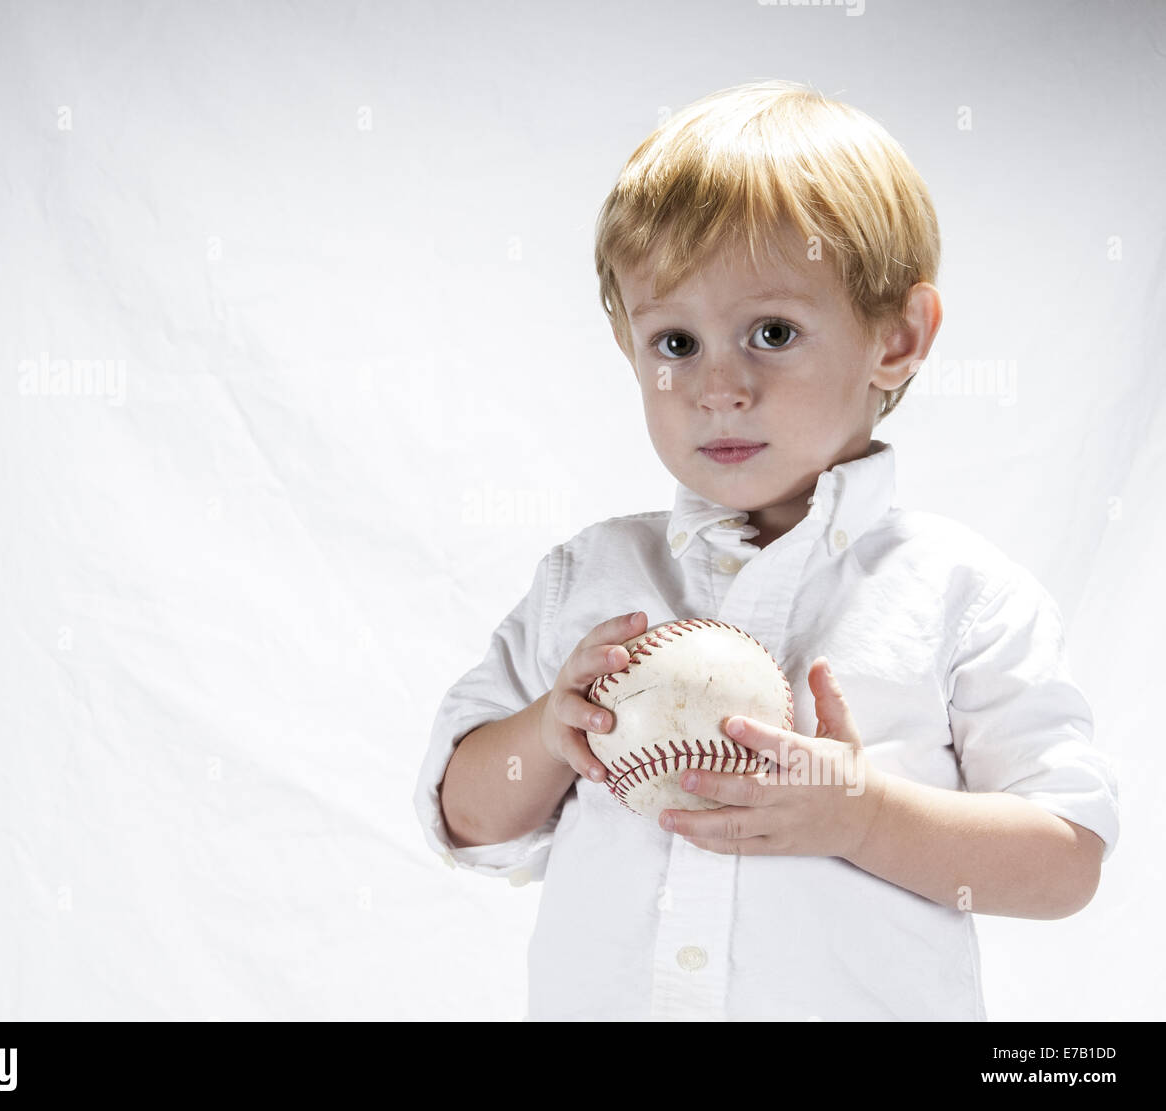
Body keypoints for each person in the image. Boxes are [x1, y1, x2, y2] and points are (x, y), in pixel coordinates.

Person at [412, 79, 1119, 1021]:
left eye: (772, 332)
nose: (719, 387)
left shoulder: (963, 593)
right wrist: (547, 731)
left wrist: (863, 816)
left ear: (897, 337)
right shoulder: (590, 580)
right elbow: (464, 816)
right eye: (675, 340)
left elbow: (1064, 861)